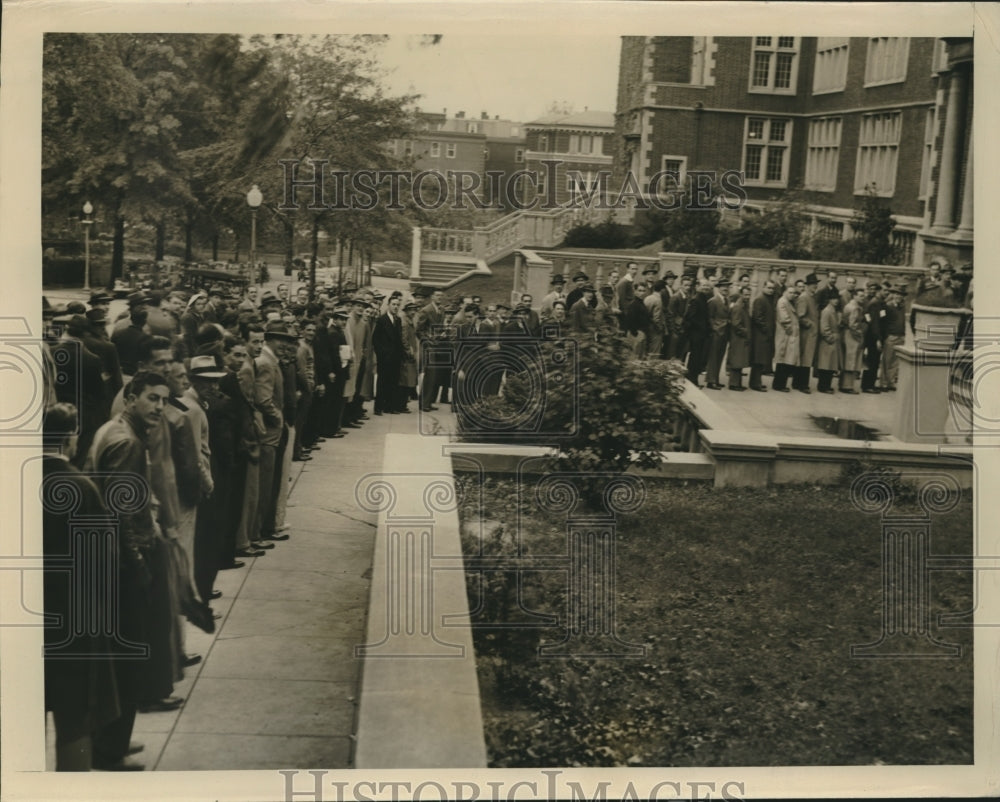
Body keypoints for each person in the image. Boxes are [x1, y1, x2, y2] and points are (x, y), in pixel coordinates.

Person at [87, 372, 182, 769]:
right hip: (125, 565)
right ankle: (109, 750)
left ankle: (112, 742)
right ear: (131, 397)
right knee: (126, 659)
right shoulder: (126, 442)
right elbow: (122, 515)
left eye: (163, 400)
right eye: (151, 398)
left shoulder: (115, 429)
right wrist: (140, 566)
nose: (159, 407)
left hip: (113, 560)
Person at [42, 403, 121, 771]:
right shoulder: (82, 489)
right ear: (71, 437)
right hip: (73, 626)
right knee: (74, 720)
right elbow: (102, 566)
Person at [373, 295, 406, 415]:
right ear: (388, 305)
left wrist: (401, 354)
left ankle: (390, 406)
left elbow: (399, 338)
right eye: (394, 304)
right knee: (382, 382)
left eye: (398, 305)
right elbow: (376, 339)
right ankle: (378, 408)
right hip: (385, 357)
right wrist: (382, 354)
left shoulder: (398, 320)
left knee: (393, 382)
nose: (396, 307)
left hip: (395, 357)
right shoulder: (382, 320)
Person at [416, 289, 445, 411]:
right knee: (430, 375)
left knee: (436, 376)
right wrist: (427, 341)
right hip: (429, 347)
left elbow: (440, 327)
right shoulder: (426, 310)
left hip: (439, 345)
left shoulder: (441, 310)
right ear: (432, 297)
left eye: (441, 296)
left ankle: (430, 401)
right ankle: (424, 403)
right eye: (437, 295)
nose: (439, 297)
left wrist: (442, 333)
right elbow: (419, 330)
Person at [772, 283, 800, 392]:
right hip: (786, 335)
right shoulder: (782, 302)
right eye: (790, 292)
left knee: (785, 360)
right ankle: (779, 385)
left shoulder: (788, 302)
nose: (792, 294)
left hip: (788, 335)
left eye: (793, 293)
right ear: (785, 292)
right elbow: (784, 319)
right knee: (783, 360)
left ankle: (780, 384)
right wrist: (791, 331)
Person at [793, 275, 819, 393]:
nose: (815, 286)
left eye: (816, 284)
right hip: (806, 334)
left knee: (806, 358)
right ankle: (802, 384)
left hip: (810, 334)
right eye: (813, 284)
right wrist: (810, 324)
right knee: (805, 358)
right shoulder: (804, 298)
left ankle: (798, 383)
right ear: (808, 286)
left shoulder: (811, 297)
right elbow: (800, 316)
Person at [749, 280, 776, 392]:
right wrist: (766, 329)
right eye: (769, 288)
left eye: (772, 288)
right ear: (763, 287)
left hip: (765, 334)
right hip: (760, 335)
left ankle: (756, 382)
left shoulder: (768, 299)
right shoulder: (760, 299)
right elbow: (757, 317)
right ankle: (756, 383)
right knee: (758, 360)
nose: (771, 290)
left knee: (761, 360)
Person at [704, 278, 731, 389]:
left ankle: (716, 379)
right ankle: (711, 381)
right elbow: (709, 318)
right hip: (716, 333)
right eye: (723, 286)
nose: (726, 288)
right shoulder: (713, 301)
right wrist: (715, 328)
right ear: (718, 288)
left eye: (727, 286)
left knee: (720, 356)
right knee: (714, 357)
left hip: (724, 333)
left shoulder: (727, 300)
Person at [684, 281, 712, 386]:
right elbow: (690, 317)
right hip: (696, 334)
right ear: (697, 287)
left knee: (697, 357)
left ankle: (693, 379)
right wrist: (702, 327)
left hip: (700, 334)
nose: (706, 287)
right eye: (703, 285)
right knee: (695, 357)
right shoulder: (696, 300)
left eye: (707, 285)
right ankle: (692, 379)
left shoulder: (703, 298)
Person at [839, 287, 866, 394]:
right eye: (860, 296)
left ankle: (843, 384)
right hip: (852, 336)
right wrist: (859, 334)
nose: (863, 298)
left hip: (846, 334)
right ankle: (847, 386)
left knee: (848, 359)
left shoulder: (848, 306)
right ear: (855, 296)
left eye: (863, 296)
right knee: (851, 360)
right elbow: (853, 325)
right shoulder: (855, 308)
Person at [879, 287, 906, 391]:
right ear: (893, 295)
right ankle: (884, 383)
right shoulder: (887, 306)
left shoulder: (902, 307)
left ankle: (891, 382)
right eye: (897, 294)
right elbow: (882, 322)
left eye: (901, 295)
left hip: (900, 336)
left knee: (895, 361)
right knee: (887, 360)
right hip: (891, 336)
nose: (899, 296)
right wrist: (886, 335)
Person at [815, 294, 842, 393]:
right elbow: (824, 328)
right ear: (829, 300)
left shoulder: (834, 311)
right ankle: (823, 386)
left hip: (832, 341)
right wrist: (830, 338)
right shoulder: (827, 311)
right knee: (825, 366)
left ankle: (827, 385)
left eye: (837, 299)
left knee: (830, 365)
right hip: (828, 342)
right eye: (833, 298)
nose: (836, 301)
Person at [860, 282, 885, 393]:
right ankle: (867, 385)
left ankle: (870, 384)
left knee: (874, 361)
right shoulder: (875, 303)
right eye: (884, 291)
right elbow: (874, 323)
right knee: (872, 361)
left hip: (875, 335)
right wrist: (878, 339)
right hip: (873, 337)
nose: (886, 293)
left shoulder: (880, 302)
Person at [726, 285, 751, 391]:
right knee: (736, 360)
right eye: (745, 294)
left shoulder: (743, 305)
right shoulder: (738, 306)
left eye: (749, 294)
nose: (748, 296)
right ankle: (734, 384)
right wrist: (744, 331)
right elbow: (735, 323)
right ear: (741, 294)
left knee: (739, 361)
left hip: (740, 337)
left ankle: (737, 383)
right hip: (738, 337)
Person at [667, 273, 692, 362]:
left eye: (689, 285)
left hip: (684, 329)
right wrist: (673, 330)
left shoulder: (688, 297)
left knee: (682, 353)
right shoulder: (675, 297)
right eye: (685, 285)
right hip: (676, 330)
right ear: (681, 285)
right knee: (673, 354)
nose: (687, 287)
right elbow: (670, 315)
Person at [644, 279, 666, 358]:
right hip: (655, 329)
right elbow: (657, 318)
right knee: (654, 352)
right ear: (662, 289)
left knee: (647, 350)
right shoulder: (658, 300)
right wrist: (660, 329)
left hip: (647, 327)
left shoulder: (648, 298)